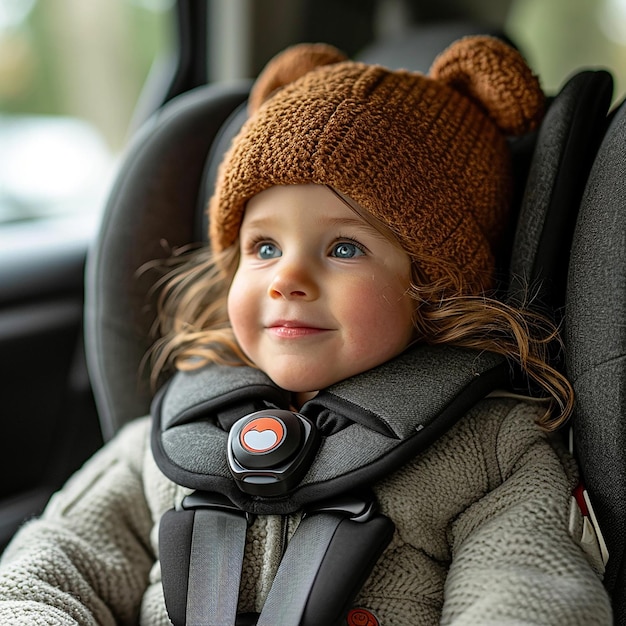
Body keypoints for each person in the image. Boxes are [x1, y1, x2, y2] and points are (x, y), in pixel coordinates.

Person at [0, 36, 612, 625]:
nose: (287, 277)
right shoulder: (166, 440)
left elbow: (530, 595)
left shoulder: (492, 454)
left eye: (344, 247)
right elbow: (49, 567)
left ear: (435, 284)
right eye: (263, 246)